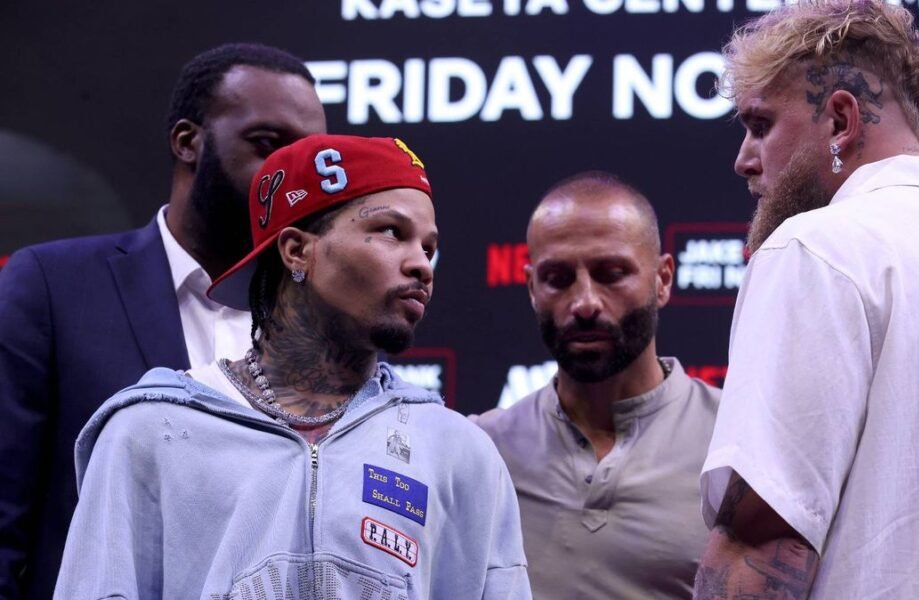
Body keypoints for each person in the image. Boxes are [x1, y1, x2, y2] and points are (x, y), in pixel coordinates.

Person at [695, 1, 919, 597]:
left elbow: (759, 541)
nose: (744, 160)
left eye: (760, 125)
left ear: (841, 121)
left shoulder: (815, 252)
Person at [54, 134, 532, 599]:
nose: (423, 266)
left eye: (428, 247)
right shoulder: (152, 431)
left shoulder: (456, 451)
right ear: (297, 250)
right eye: (392, 232)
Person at [0, 43, 326, 597]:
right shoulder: (55, 286)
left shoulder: (325, 323)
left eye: (308, 157)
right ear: (187, 142)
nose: (290, 176)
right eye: (268, 145)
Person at [476, 172, 721, 598]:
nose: (585, 303)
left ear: (663, 279)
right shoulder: (482, 451)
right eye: (557, 278)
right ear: (532, 288)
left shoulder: (734, 441)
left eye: (611, 274)